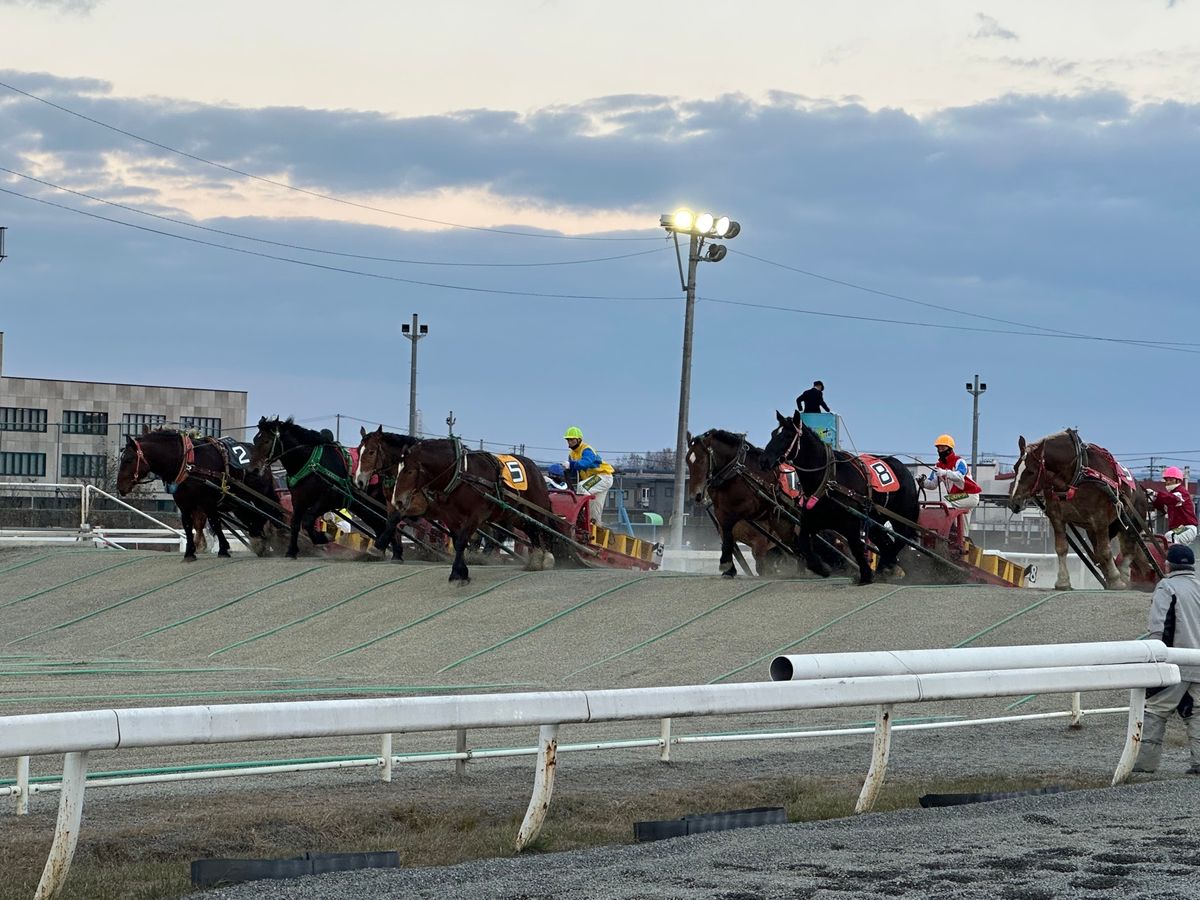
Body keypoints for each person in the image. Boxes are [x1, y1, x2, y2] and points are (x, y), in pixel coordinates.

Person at [1134, 543, 1200, 775]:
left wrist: (1155, 660)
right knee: (1196, 713)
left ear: (1168, 564)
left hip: (1174, 662)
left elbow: (1158, 627)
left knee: (1154, 710)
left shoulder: (1166, 586)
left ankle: (1144, 764)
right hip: (1199, 663)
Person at [919, 434, 982, 546]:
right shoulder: (938, 466)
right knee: (962, 527)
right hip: (960, 498)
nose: (940, 450)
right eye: (939, 448)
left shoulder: (959, 461)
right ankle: (962, 543)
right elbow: (932, 484)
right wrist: (922, 482)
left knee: (946, 501)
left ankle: (945, 534)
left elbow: (960, 475)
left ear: (950, 448)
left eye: (943, 448)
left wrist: (945, 473)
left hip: (970, 495)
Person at [563, 426, 614, 525]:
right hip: (596, 480)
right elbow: (574, 471)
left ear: (578, 439)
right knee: (595, 510)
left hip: (603, 476)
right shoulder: (572, 454)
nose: (569, 442)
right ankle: (595, 529)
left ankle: (580, 512)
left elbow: (585, 463)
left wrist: (571, 464)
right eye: (568, 440)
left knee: (582, 487)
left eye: (571, 439)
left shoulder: (587, 449)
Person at [1146, 467, 1198, 546]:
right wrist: (1153, 499)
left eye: (1170, 480)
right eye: (1166, 480)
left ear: (1178, 480)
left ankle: (1172, 557)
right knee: (1168, 537)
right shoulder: (1170, 495)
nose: (1168, 482)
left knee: (1170, 536)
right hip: (1179, 529)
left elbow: (1173, 498)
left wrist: (1156, 494)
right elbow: (1161, 506)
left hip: (1188, 528)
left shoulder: (1182, 492)